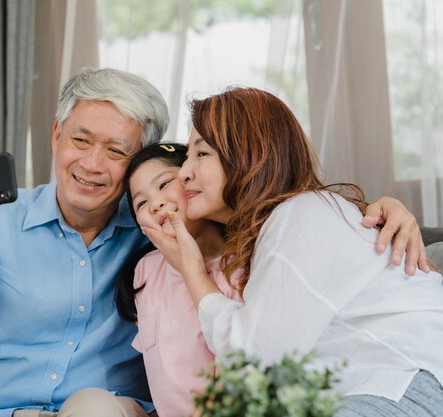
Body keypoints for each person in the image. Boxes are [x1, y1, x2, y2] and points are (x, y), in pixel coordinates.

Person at [0, 67, 426, 417]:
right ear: (56, 136)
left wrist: (377, 210)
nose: (92, 164)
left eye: (118, 152)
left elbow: (274, 218)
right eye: (81, 139)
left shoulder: (161, 239)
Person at [144, 87, 443, 416]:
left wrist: (192, 270)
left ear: (249, 153)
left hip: (412, 380)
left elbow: (252, 363)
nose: (185, 173)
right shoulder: (290, 224)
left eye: (201, 154)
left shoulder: (300, 215)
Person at [116, 143, 245, 417]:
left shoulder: (243, 267)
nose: (155, 204)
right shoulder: (145, 272)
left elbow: (239, 370)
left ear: (192, 179)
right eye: (141, 202)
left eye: (164, 184)